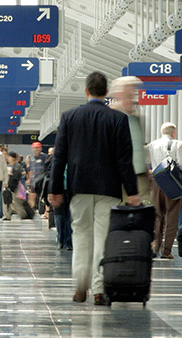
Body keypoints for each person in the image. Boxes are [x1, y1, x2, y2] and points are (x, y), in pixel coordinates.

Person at [48, 71, 140, 306]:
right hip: (108, 190)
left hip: (79, 189)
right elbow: (124, 160)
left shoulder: (69, 117)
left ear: (86, 91)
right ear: (106, 93)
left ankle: (80, 286)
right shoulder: (117, 119)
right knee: (102, 239)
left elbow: (59, 158)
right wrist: (132, 192)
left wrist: (55, 189)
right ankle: (99, 290)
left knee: (80, 237)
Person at [110, 76, 150, 202]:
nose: (133, 97)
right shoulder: (110, 116)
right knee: (119, 216)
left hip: (140, 179)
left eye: (134, 93)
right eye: (128, 93)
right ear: (118, 94)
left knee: (142, 216)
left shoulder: (138, 117)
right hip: (118, 179)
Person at [147, 122, 182, 259]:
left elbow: (147, 164)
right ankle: (166, 251)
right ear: (173, 133)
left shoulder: (152, 145)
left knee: (157, 215)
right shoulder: (177, 144)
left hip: (156, 182)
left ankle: (155, 247)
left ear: (162, 132)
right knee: (171, 216)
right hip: (172, 182)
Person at [2, 151, 27, 220]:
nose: (8, 158)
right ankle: (7, 215)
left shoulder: (17, 166)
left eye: (9, 157)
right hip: (8, 186)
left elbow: (16, 176)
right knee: (6, 201)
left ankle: (23, 214)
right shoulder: (8, 165)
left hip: (14, 186)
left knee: (16, 202)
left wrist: (11, 174)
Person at [27, 142, 48, 209]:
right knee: (32, 195)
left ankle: (45, 211)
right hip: (33, 180)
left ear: (41, 148)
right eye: (35, 148)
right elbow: (29, 169)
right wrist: (28, 179)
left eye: (38, 148)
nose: (36, 149)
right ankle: (31, 210)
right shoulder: (30, 157)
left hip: (42, 179)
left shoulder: (44, 157)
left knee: (43, 195)